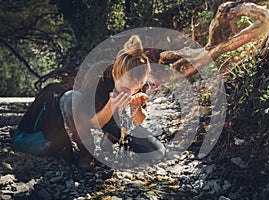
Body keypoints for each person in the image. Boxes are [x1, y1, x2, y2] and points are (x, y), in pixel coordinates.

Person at [12, 35, 166, 169]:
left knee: (157, 152)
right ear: (114, 74)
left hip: (116, 118)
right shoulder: (97, 74)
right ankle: (87, 152)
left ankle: (108, 142)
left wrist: (136, 110)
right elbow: (91, 122)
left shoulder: (139, 82)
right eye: (125, 87)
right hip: (89, 114)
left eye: (136, 88)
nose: (130, 92)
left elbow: (138, 120)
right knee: (71, 98)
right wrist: (112, 105)